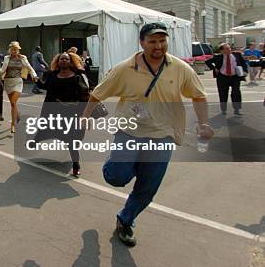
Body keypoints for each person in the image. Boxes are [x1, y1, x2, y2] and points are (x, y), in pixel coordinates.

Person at [81, 22, 213, 247]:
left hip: (163, 135)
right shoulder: (125, 68)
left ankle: (126, 220)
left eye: (162, 40)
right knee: (116, 176)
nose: (158, 45)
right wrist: (85, 116)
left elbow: (199, 96)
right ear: (142, 43)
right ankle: (119, 163)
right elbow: (98, 93)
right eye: (152, 41)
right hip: (130, 131)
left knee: (148, 187)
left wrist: (203, 122)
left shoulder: (180, 68)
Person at [35, 53, 90, 176]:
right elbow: (44, 85)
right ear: (57, 61)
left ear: (71, 62)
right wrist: (37, 80)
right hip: (55, 111)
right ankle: (76, 165)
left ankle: (75, 163)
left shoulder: (77, 76)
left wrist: (85, 115)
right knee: (49, 129)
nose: (64, 60)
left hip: (72, 112)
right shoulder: (52, 75)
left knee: (75, 139)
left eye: (66, 59)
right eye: (61, 59)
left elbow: (85, 95)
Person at [0, 41, 38, 134]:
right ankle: (18, 116)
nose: (14, 51)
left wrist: (34, 75)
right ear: (10, 50)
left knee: (13, 103)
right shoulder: (6, 58)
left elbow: (29, 68)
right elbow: (3, 69)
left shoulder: (23, 58)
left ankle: (13, 124)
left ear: (18, 50)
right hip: (8, 81)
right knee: (13, 104)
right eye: (12, 50)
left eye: (16, 50)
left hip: (18, 82)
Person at [205, 42, 247, 116]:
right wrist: (214, 68)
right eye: (227, 49)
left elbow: (244, 63)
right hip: (222, 77)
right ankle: (223, 110)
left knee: (236, 92)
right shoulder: (218, 57)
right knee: (223, 94)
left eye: (229, 48)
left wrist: (245, 71)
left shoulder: (237, 55)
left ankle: (237, 110)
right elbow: (207, 61)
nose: (229, 49)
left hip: (235, 77)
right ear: (222, 51)